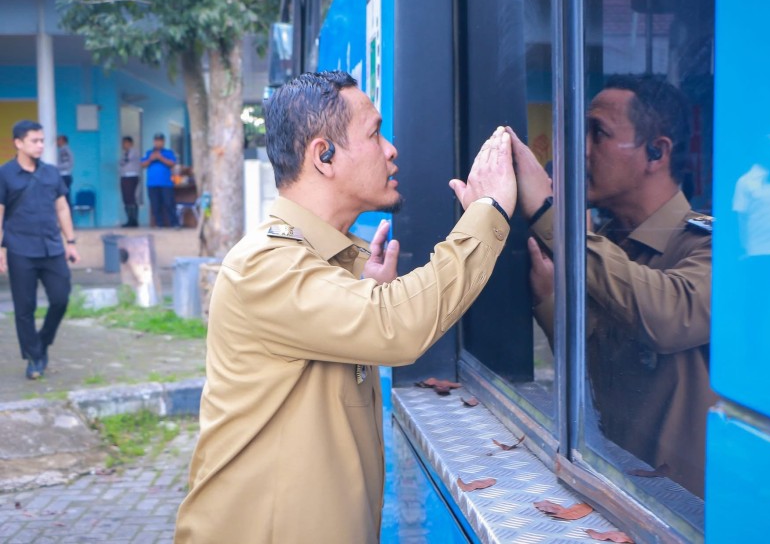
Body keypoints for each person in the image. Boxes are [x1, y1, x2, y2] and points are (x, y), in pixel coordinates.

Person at [173, 70, 516, 543]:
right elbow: (395, 325)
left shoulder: (326, 265)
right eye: (375, 133)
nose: (391, 149)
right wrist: (490, 213)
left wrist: (362, 289)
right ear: (324, 155)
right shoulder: (264, 266)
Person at [510, 75, 715, 497]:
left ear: (656, 152)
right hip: (617, 491)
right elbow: (596, 368)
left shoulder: (711, 246)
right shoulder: (608, 247)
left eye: (598, 133)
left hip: (682, 514)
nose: (581, 149)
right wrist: (550, 298)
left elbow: (669, 316)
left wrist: (553, 216)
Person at [0, 120, 81, 379]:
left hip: (51, 248)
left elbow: (62, 208)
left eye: (42, 140)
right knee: (25, 308)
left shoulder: (50, 173)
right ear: (19, 143)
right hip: (19, 248)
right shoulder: (5, 174)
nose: (40, 145)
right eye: (35, 141)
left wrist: (70, 242)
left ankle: (42, 342)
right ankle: (34, 357)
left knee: (60, 298)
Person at [141, 132, 179, 227]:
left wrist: (161, 158)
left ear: (163, 142)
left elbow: (172, 163)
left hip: (166, 183)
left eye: (160, 141)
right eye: (156, 141)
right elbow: (142, 164)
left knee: (169, 203)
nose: (158, 143)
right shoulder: (148, 153)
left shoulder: (168, 152)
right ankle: (159, 224)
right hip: (152, 184)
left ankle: (174, 223)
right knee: (155, 205)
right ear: (154, 142)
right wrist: (151, 159)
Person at [119, 136, 141, 227]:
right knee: (126, 199)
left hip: (132, 176)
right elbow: (121, 162)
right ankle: (129, 219)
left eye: (125, 143)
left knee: (131, 198)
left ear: (130, 143)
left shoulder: (134, 151)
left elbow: (125, 161)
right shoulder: (125, 153)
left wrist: (123, 160)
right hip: (124, 176)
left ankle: (134, 220)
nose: (123, 145)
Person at [56, 134, 74, 208]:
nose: (57, 142)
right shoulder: (64, 149)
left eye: (58, 140)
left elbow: (67, 163)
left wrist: (55, 167)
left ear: (63, 141)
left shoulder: (64, 150)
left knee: (64, 198)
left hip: (64, 175)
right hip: (66, 175)